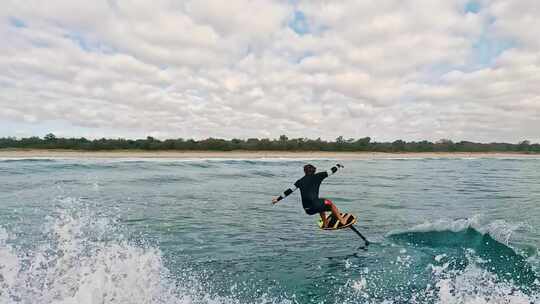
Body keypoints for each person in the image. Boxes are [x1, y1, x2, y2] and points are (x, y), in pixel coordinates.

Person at [272, 163, 346, 227]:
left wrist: (277, 199)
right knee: (329, 203)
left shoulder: (299, 181)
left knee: (320, 202)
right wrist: (338, 165)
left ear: (305, 171)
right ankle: (342, 220)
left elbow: (289, 191)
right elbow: (331, 171)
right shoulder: (318, 176)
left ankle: (325, 223)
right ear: (314, 171)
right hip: (315, 205)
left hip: (308, 210)